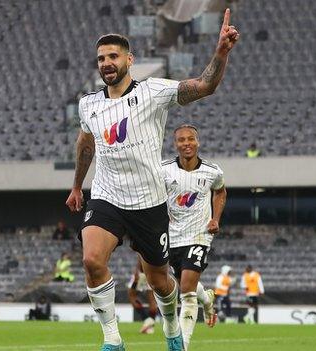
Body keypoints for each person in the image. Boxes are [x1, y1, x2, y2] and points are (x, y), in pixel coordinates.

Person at [65, 9, 238, 351]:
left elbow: (205, 86)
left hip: (149, 201)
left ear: (129, 59)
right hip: (107, 195)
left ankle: (172, 327)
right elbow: (86, 143)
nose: (106, 63)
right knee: (90, 260)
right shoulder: (88, 104)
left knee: (160, 282)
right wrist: (76, 185)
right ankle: (113, 340)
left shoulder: (153, 92)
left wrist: (220, 52)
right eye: (101, 58)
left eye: (113, 56)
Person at [162, 125, 226, 350]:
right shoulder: (164, 170)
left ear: (197, 142)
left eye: (190, 139)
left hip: (199, 235)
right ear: (175, 144)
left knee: (187, 292)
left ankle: (182, 345)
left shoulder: (212, 171)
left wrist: (215, 218)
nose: (186, 143)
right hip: (172, 237)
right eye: (181, 140)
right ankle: (207, 298)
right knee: (185, 284)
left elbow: (220, 191)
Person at [127, 258, 157, 334]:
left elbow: (141, 256)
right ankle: (150, 328)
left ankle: (147, 320)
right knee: (152, 299)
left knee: (131, 296)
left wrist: (136, 271)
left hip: (142, 273)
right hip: (154, 273)